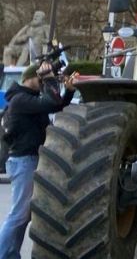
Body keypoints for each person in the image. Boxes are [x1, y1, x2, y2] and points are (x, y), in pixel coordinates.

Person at [0, 62, 77, 258]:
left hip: (30, 160)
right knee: (19, 215)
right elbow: (50, 103)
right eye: (39, 79)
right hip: (23, 161)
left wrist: (67, 93)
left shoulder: (29, 100)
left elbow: (57, 105)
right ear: (29, 78)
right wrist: (50, 79)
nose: (41, 82)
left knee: (23, 215)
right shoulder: (20, 100)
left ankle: (10, 255)